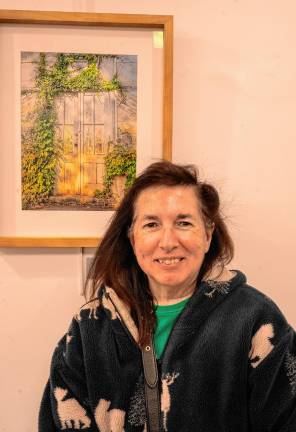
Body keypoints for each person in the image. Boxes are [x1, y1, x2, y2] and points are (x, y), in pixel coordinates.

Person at [39, 161, 296, 431]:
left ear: (208, 235)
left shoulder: (256, 321)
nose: (168, 242)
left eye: (183, 222)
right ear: (132, 237)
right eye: (151, 224)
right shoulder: (88, 327)